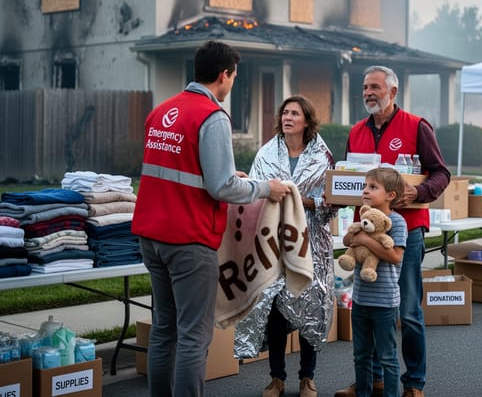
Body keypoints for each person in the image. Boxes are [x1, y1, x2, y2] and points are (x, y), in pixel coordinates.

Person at [132, 40, 290, 397]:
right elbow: (220, 188)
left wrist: (228, 175)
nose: (233, 81)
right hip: (188, 240)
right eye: (234, 75)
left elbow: (180, 167)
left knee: (164, 329)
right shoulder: (212, 115)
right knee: (193, 336)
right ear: (225, 75)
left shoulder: (162, 111)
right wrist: (267, 189)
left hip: (151, 236)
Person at [339, 65, 450, 397]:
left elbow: (441, 174)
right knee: (371, 309)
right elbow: (348, 179)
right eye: (365, 87)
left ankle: (413, 383)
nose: (368, 93)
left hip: (407, 231)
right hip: (366, 235)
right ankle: (372, 379)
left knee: (409, 311)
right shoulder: (356, 130)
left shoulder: (416, 126)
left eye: (375, 87)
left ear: (393, 92)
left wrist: (419, 192)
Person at [237, 95, 337, 397]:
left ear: (307, 120)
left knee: (311, 307)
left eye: (294, 113)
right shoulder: (266, 153)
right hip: (274, 242)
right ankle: (277, 378)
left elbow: (334, 203)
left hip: (311, 245)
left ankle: (308, 378)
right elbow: (254, 192)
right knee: (276, 310)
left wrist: (301, 199)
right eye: (285, 113)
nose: (288, 117)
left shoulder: (324, 156)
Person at [347, 168, 408, 397]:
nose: (365, 190)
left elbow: (394, 256)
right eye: (365, 186)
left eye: (373, 187)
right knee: (361, 354)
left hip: (385, 303)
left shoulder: (397, 222)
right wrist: (355, 235)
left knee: (387, 357)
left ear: (390, 195)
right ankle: (363, 392)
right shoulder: (363, 218)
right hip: (360, 300)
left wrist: (363, 239)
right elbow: (348, 240)